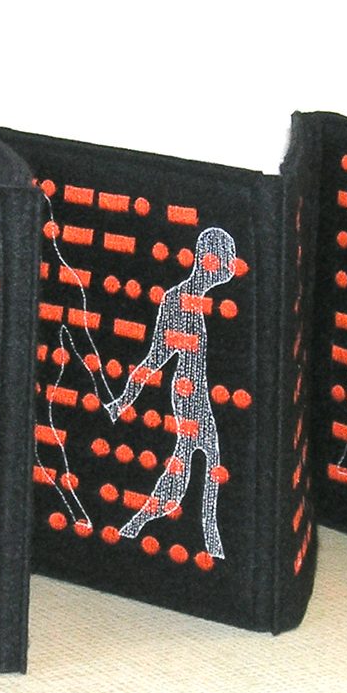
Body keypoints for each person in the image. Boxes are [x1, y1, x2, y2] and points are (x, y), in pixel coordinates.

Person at [103, 226, 242, 559]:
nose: (230, 268)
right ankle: (207, 540)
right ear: (210, 260)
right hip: (189, 396)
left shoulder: (206, 302)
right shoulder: (179, 300)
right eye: (226, 260)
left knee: (198, 466)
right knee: (195, 467)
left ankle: (143, 527)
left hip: (200, 397)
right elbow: (154, 360)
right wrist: (123, 401)